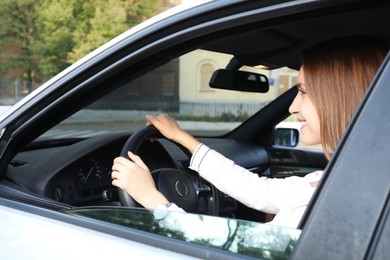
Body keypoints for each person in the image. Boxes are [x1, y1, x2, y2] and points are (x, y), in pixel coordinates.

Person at [111, 36, 388, 228]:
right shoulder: (345, 180)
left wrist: (152, 199)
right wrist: (182, 138)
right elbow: (259, 190)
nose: (292, 106)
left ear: (338, 98)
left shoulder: (338, 201)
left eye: (302, 91)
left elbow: (228, 248)